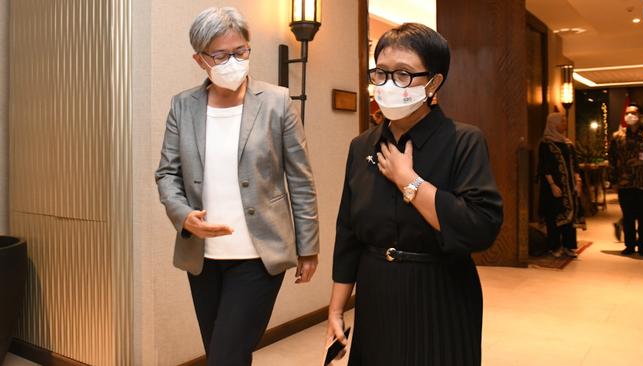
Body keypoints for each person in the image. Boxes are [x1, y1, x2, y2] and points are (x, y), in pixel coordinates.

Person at [327, 23, 503, 366]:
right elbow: (347, 232)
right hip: (376, 290)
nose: (389, 84)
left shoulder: (465, 141)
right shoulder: (362, 145)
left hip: (442, 290)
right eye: (381, 73)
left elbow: (480, 226)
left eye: (404, 74)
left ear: (434, 82)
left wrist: (409, 181)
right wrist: (335, 309)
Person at [154, 7, 319, 365]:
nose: (233, 61)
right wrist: (184, 216)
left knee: (225, 357)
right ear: (200, 60)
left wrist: (308, 247)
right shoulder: (183, 106)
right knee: (225, 353)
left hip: (259, 256)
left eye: (240, 51)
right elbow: (167, 173)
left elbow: (300, 179)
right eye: (221, 55)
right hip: (204, 257)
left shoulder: (276, 102)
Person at [538, 112, 583, 258]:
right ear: (553, 124)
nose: (564, 124)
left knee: (570, 217)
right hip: (554, 187)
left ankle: (569, 246)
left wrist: (577, 181)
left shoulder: (568, 144)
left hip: (569, 187)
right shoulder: (545, 144)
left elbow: (575, 165)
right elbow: (544, 167)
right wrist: (552, 185)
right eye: (562, 121)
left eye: (564, 121)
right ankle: (555, 246)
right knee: (554, 216)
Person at [609, 103, 643, 256]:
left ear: (640, 117)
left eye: (633, 113)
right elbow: (612, 159)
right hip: (624, 183)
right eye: (627, 113)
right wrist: (612, 180)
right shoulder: (617, 136)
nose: (629, 116)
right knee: (628, 217)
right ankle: (630, 245)